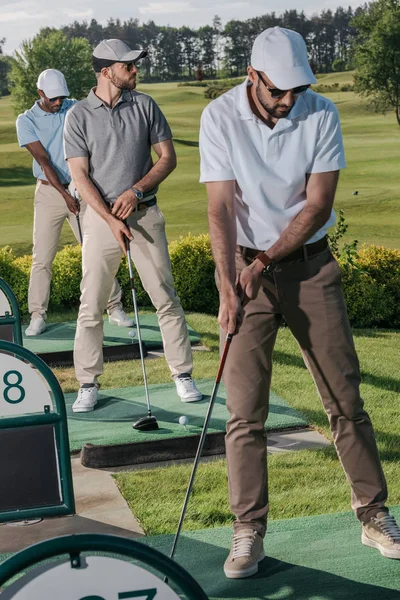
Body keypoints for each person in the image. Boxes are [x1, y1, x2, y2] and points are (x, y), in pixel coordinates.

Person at [199, 26, 400, 579]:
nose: (288, 100)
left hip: (310, 266)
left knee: (345, 397)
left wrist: (262, 263)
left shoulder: (321, 112)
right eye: (277, 90)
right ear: (253, 76)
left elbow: (318, 203)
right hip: (243, 272)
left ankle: (374, 514)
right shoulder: (218, 117)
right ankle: (248, 530)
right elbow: (219, 208)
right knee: (244, 412)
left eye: (296, 89)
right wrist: (227, 283)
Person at [63, 39, 202, 412]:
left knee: (165, 298)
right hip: (99, 220)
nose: (136, 71)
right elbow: (79, 174)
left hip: (145, 215)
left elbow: (167, 158)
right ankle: (88, 382)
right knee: (91, 305)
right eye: (128, 67)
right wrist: (110, 218)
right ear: (107, 72)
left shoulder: (145, 105)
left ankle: (182, 374)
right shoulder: (78, 115)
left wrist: (137, 192)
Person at [15, 69, 133, 336]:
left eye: (62, 98)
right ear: (40, 93)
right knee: (42, 257)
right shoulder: (27, 120)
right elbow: (44, 161)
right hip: (49, 194)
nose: (58, 102)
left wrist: (79, 189)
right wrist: (66, 195)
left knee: (98, 250)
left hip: (83, 191)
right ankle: (37, 315)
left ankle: (114, 307)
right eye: (53, 98)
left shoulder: (74, 108)